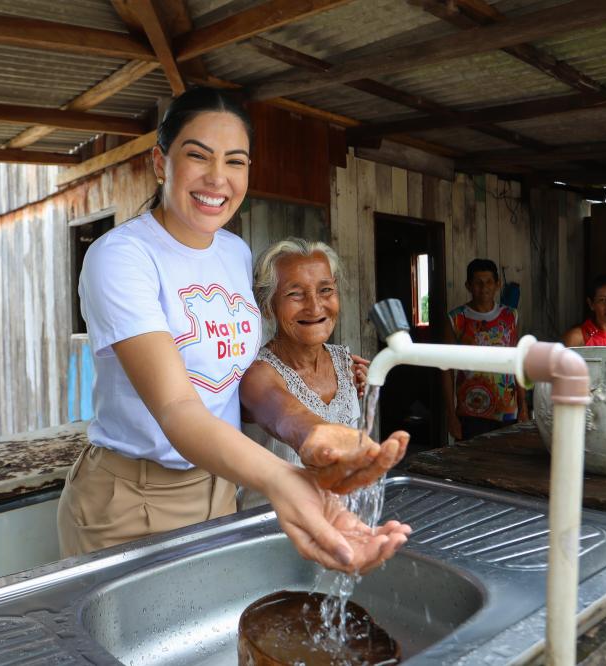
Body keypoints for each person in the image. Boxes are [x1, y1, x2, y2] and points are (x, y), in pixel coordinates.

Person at [57, 87, 410, 574]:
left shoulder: (234, 252)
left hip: (221, 484)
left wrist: (309, 432)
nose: (217, 178)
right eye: (198, 155)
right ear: (161, 163)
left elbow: (237, 375)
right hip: (132, 499)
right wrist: (285, 479)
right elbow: (177, 407)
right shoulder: (121, 257)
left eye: (236, 161)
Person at [237, 239, 407, 510]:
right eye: (295, 294)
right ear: (268, 306)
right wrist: (341, 446)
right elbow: (288, 418)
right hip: (272, 524)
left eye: (325, 290)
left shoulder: (344, 363)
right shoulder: (257, 374)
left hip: (338, 518)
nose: (315, 307)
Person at [441, 258, 528, 441]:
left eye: (489, 282)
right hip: (471, 412)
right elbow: (446, 369)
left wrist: (523, 406)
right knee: (473, 465)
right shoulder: (456, 319)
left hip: (507, 411)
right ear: (468, 285)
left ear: (497, 284)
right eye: (478, 283)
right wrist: (451, 415)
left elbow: (517, 361)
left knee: (505, 466)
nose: (484, 287)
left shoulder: (510, 316)